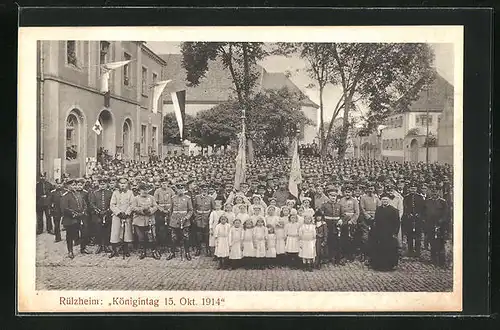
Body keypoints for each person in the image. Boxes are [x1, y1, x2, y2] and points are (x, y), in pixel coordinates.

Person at [368, 193, 400, 271]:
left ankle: (389, 266)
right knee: (379, 249)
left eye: (386, 199)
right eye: (383, 200)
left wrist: (394, 233)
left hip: (389, 233)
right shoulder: (378, 209)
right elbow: (376, 221)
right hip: (379, 232)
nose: (384, 201)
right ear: (381, 200)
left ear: (388, 200)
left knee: (389, 249)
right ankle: (379, 265)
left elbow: (397, 223)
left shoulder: (393, 210)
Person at [60, 179, 88, 259]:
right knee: (70, 236)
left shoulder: (78, 194)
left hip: (80, 218)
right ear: (68, 186)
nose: (74, 187)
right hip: (70, 219)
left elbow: (84, 204)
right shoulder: (65, 195)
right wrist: (74, 214)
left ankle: (83, 249)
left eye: (75, 185)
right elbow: (64, 208)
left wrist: (83, 212)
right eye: (72, 185)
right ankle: (70, 251)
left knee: (83, 233)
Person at [166, 181, 194, 261]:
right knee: (173, 238)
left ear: (184, 189)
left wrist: (186, 218)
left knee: (186, 237)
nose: (180, 191)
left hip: (184, 220)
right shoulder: (173, 198)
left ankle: (187, 253)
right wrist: (171, 219)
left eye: (182, 189)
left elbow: (191, 210)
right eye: (179, 189)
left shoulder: (188, 198)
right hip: (174, 220)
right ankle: (172, 253)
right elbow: (171, 210)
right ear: (176, 190)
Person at [131, 182, 159, 259]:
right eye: (143, 189)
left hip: (150, 220)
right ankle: (143, 251)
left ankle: (154, 251)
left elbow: (156, 206)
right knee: (141, 237)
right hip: (139, 220)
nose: (145, 191)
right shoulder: (136, 198)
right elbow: (133, 208)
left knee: (153, 236)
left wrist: (151, 210)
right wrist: (142, 210)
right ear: (139, 191)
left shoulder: (151, 197)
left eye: (146, 189)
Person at [423, 186, 449, 267]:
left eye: (436, 191)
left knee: (440, 243)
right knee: (432, 242)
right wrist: (425, 222)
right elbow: (424, 213)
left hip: (440, 226)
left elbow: (446, 214)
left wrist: (441, 222)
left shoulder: (443, 202)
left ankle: (441, 261)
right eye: (433, 191)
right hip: (430, 225)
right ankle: (433, 259)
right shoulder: (427, 201)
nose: (434, 193)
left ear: (439, 192)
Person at [109, 177, 134, 258]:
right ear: (118, 184)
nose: (123, 185)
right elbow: (112, 205)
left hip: (127, 215)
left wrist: (127, 213)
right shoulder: (115, 193)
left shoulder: (130, 193)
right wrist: (118, 213)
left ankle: (126, 249)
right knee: (115, 232)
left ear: (127, 184)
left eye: (124, 183)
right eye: (121, 183)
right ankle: (114, 250)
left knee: (126, 233)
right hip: (117, 215)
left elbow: (132, 204)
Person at [89, 178, 112, 254]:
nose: (102, 186)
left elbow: (112, 203)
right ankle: (99, 245)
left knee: (107, 230)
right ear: (98, 185)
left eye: (104, 184)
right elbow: (92, 203)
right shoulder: (95, 193)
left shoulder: (110, 193)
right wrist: (98, 211)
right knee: (98, 230)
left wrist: (107, 211)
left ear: (106, 185)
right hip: (98, 215)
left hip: (107, 214)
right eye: (101, 184)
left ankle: (106, 245)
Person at [320, 186, 343, 265]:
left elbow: (343, 215)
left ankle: (337, 259)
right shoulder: (324, 205)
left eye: (335, 196)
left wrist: (341, 220)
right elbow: (320, 215)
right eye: (331, 195)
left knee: (337, 242)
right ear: (328, 196)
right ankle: (328, 258)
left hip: (336, 225)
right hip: (327, 224)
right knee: (328, 241)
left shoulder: (339, 205)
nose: (333, 197)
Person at [402, 182, 425, 257]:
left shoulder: (420, 197)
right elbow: (405, 207)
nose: (413, 190)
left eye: (414, 188)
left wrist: (419, 214)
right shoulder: (406, 197)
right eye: (411, 188)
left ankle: (418, 251)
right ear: (409, 189)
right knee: (409, 235)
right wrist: (409, 214)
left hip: (418, 218)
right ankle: (410, 251)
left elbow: (422, 207)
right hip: (409, 218)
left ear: (417, 189)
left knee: (418, 235)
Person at [358, 184, 380, 262]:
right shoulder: (363, 198)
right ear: (367, 189)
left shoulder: (376, 198)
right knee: (365, 237)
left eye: (372, 188)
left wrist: (375, 217)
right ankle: (364, 254)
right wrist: (368, 216)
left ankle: (372, 254)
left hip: (374, 219)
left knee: (373, 236)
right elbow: (362, 208)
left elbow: (379, 208)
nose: (370, 190)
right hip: (365, 219)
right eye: (369, 188)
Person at [193, 183, 215, 256]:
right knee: (198, 234)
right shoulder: (197, 197)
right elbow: (193, 208)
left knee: (207, 234)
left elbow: (213, 209)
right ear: (200, 190)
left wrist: (210, 217)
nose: (204, 191)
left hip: (207, 218)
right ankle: (198, 249)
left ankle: (208, 249)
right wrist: (196, 216)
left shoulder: (210, 198)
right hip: (199, 218)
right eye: (203, 189)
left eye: (205, 189)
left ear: (208, 190)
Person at [154, 178, 174, 255]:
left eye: (166, 183)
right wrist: (161, 210)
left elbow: (174, 200)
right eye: (163, 183)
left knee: (170, 228)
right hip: (160, 212)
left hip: (169, 211)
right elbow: (155, 203)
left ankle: (170, 245)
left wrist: (169, 209)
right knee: (161, 229)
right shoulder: (157, 191)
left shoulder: (171, 190)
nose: (164, 185)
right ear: (160, 184)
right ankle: (161, 245)